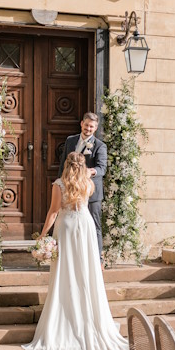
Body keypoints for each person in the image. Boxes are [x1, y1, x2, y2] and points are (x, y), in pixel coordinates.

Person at [23, 152, 129, 350]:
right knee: (86, 272)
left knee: (66, 272)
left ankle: (65, 315)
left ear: (66, 165)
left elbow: (54, 212)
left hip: (68, 228)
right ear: (83, 166)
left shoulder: (59, 184)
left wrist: (43, 236)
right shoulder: (88, 184)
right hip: (86, 227)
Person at [59, 112, 106, 262]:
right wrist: (60, 184)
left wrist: (90, 172)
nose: (88, 129)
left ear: (96, 128)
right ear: (81, 124)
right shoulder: (70, 141)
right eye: (86, 125)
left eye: (91, 127)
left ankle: (98, 259)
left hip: (90, 193)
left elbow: (101, 168)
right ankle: (75, 258)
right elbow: (63, 164)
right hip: (71, 191)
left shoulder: (100, 146)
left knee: (94, 226)